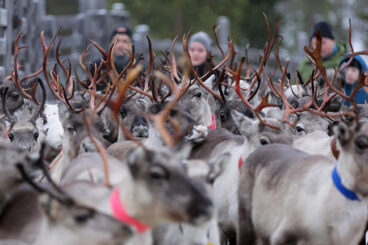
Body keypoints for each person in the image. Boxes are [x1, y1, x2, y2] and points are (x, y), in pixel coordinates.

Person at [89, 25, 133, 91]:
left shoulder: (139, 69)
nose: (120, 45)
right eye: (117, 41)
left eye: (125, 41)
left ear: (131, 44)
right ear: (111, 43)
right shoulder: (97, 67)